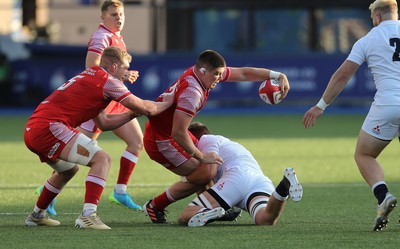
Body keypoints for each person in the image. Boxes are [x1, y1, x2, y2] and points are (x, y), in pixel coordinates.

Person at [24, 46, 172, 230]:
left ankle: (37, 214)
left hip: (33, 129)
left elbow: (103, 122)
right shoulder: (109, 81)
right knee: (102, 159)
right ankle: (88, 216)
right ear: (114, 66)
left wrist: (131, 115)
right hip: (50, 128)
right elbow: (147, 108)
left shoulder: (91, 74)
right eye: (125, 69)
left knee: (68, 171)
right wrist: (170, 101)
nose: (126, 74)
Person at [143, 49, 291, 223]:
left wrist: (276, 74)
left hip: (169, 132)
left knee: (206, 169)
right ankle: (155, 206)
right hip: (162, 139)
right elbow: (178, 132)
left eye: (221, 74)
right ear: (203, 71)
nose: (219, 78)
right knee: (205, 171)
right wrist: (201, 156)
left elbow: (243, 73)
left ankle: (211, 206)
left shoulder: (200, 73)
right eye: (217, 74)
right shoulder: (193, 93)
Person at [36, 0, 143, 212]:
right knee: (78, 154)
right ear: (103, 17)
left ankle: (120, 191)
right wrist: (118, 79)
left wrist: (124, 74)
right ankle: (47, 190)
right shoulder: (101, 36)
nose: (118, 18)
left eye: (121, 14)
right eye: (113, 14)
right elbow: (92, 68)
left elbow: (113, 70)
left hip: (113, 100)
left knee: (137, 142)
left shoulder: (117, 38)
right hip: (98, 101)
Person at [303, 0, 398, 232]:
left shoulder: (368, 39)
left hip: (388, 103)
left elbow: (343, 74)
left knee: (364, 154)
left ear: (376, 16)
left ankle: (383, 195)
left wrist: (320, 106)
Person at [177, 122, 302, 227]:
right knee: (265, 219)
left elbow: (206, 174)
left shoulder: (205, 141)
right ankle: (284, 186)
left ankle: (208, 211)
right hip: (258, 180)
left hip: (235, 178)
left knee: (186, 215)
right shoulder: (230, 144)